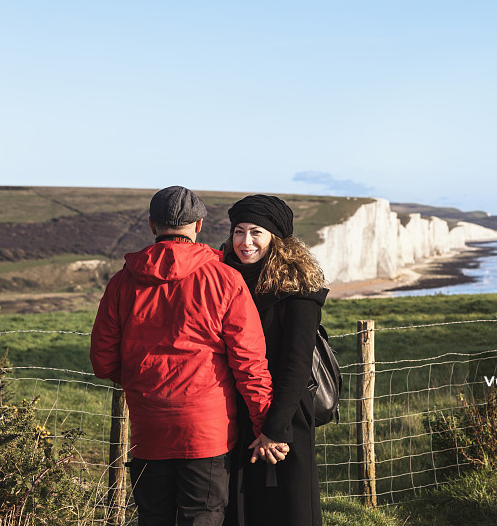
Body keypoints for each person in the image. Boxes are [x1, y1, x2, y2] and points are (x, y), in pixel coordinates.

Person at [90, 186, 287, 526]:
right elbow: (249, 363)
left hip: (148, 428)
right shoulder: (226, 279)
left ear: (152, 225)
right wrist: (264, 426)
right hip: (207, 432)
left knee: (153, 517)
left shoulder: (122, 283)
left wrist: (142, 379)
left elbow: (103, 361)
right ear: (198, 226)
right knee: (202, 518)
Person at [223, 194, 329, 526]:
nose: (245, 242)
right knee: (243, 508)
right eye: (239, 231)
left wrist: (273, 430)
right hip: (237, 411)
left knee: (287, 510)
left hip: (286, 416)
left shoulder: (297, 291)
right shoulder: (225, 277)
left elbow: (296, 366)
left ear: (276, 238)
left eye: (256, 232)